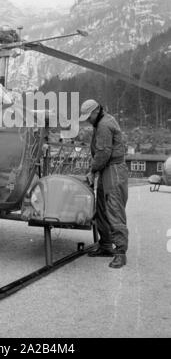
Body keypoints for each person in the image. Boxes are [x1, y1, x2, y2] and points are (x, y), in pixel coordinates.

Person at [79, 99, 128, 268]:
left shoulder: (104, 125)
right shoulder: (101, 122)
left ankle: (120, 252)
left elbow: (103, 152)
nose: (87, 120)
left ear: (96, 111)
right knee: (101, 206)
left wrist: (92, 171)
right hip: (106, 168)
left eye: (88, 116)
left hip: (113, 169)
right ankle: (106, 245)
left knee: (114, 209)